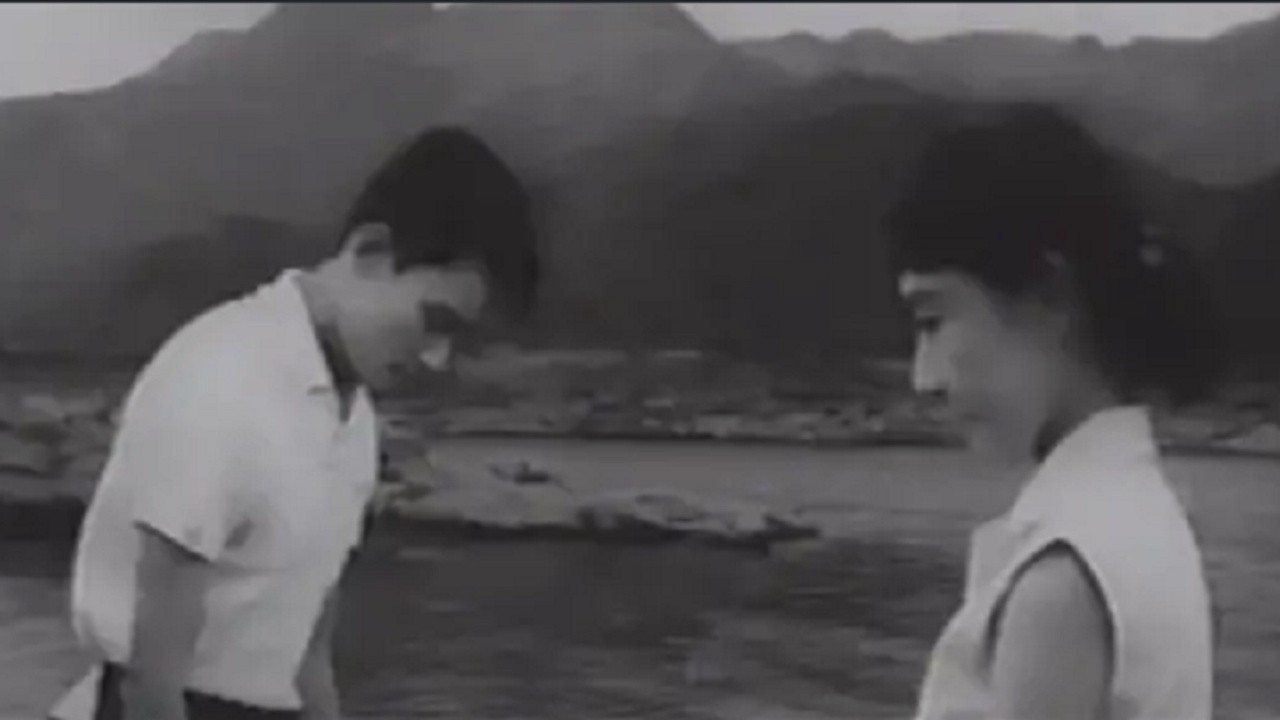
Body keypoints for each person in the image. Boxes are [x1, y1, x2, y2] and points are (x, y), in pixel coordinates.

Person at [49, 126, 539, 720]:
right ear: (370, 251)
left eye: (457, 339)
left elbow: (307, 651)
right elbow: (151, 679)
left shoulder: (352, 416)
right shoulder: (222, 373)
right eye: (433, 321)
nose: (436, 358)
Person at [886, 104, 1221, 720]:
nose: (922, 377)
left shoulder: (1060, 581)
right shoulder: (1139, 514)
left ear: (1048, 298)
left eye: (933, 320)